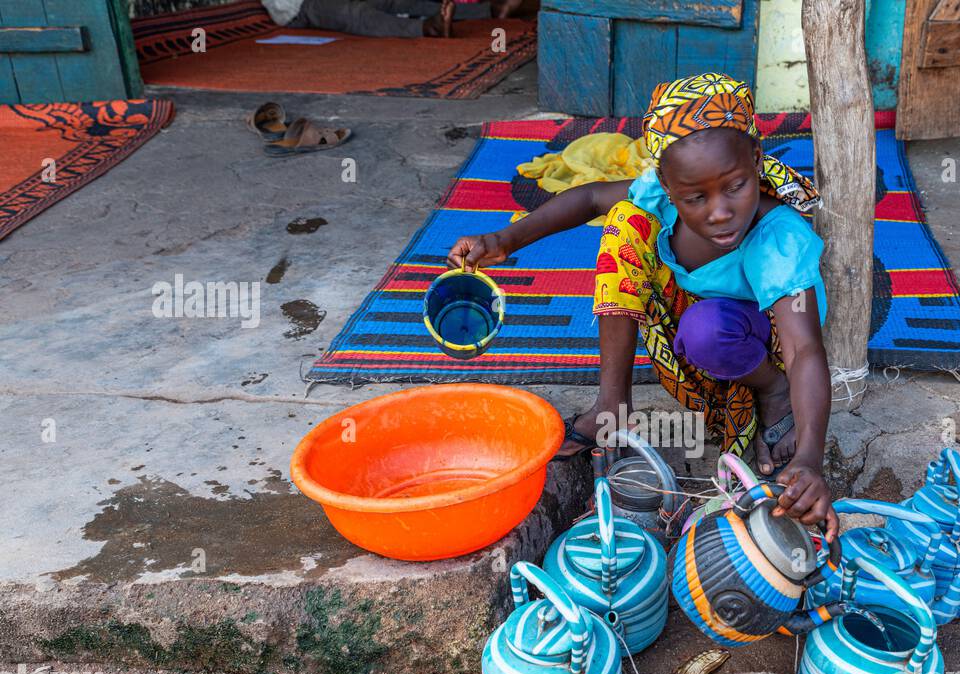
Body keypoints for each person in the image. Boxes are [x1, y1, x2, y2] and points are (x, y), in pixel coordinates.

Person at [449, 72, 838, 537]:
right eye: (696, 196)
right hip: (692, 329)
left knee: (706, 328)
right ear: (669, 187)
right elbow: (591, 196)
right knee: (626, 223)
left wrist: (810, 458)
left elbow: (804, 349)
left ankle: (770, 391)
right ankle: (612, 407)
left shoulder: (777, 235)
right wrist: (502, 238)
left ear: (756, 159)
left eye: (735, 186)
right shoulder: (660, 195)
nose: (719, 210)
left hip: (759, 341)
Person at [260, 0, 455, 38]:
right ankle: (426, 29)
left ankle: (481, 11)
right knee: (355, 13)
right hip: (296, 7)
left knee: (391, 3)